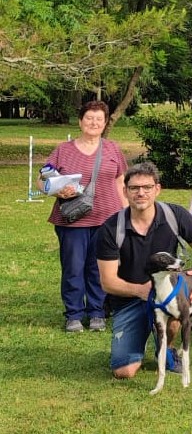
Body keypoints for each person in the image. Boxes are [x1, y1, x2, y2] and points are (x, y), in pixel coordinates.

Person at [96, 162, 192, 379]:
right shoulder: (110, 229)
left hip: (166, 293)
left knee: (177, 312)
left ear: (157, 189)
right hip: (130, 299)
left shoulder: (176, 215)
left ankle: (166, 347)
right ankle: (138, 341)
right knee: (124, 371)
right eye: (134, 188)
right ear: (125, 191)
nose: (141, 193)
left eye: (147, 187)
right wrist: (141, 291)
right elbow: (108, 282)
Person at [45, 100, 128, 333]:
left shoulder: (112, 149)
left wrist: (126, 214)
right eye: (89, 118)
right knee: (73, 267)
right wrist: (56, 189)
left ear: (105, 123)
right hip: (72, 221)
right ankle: (73, 314)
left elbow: (121, 181)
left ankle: (97, 312)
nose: (93, 123)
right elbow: (43, 179)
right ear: (80, 121)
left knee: (100, 268)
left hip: (107, 219)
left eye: (98, 119)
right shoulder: (64, 150)